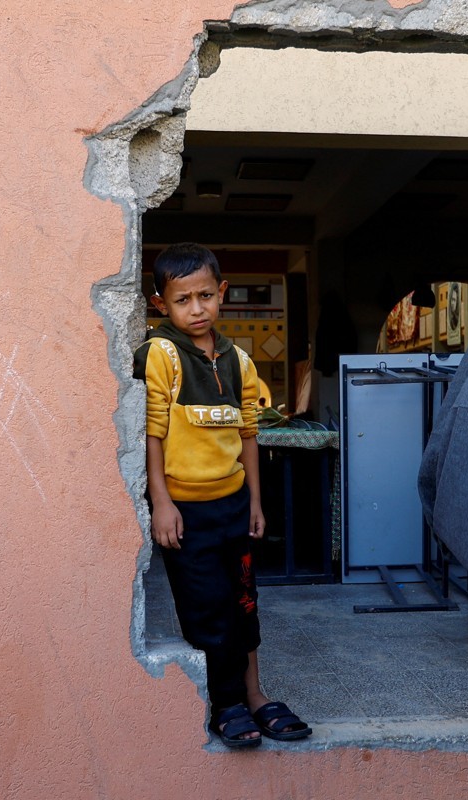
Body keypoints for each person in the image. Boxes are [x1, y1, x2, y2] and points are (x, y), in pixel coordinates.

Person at [133, 242, 312, 748]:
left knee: (244, 603)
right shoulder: (161, 356)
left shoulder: (238, 361)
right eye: (182, 300)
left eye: (205, 296)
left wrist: (255, 501)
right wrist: (161, 502)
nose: (196, 309)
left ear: (222, 293)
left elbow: (249, 434)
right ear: (160, 304)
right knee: (208, 608)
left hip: (234, 504)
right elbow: (152, 434)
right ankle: (225, 702)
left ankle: (256, 696)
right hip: (186, 512)